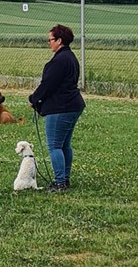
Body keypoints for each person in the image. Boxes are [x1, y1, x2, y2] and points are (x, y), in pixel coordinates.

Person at [28, 24, 84, 192]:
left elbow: (48, 85)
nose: (49, 43)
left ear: (59, 41)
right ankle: (64, 179)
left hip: (61, 108)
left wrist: (33, 99)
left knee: (54, 146)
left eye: (50, 40)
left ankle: (60, 182)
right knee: (65, 144)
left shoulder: (59, 61)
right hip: (74, 105)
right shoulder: (70, 57)